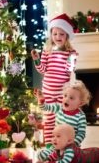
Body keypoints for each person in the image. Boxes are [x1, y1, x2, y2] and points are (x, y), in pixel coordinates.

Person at [31, 13, 78, 146]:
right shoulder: (47, 50)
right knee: (49, 120)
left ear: (67, 36)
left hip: (62, 93)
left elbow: (69, 70)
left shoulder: (70, 52)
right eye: (55, 34)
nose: (58, 37)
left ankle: (62, 144)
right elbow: (42, 69)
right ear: (51, 34)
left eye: (62, 34)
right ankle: (49, 146)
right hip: (48, 92)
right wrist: (37, 59)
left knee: (62, 119)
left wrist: (72, 58)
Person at [36, 80, 91, 159]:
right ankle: (54, 157)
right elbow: (45, 107)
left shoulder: (81, 116)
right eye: (65, 96)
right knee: (41, 155)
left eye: (71, 98)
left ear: (80, 103)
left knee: (71, 156)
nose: (66, 99)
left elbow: (81, 133)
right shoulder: (59, 108)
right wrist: (41, 100)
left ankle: (59, 158)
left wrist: (73, 143)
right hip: (56, 146)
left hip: (71, 147)